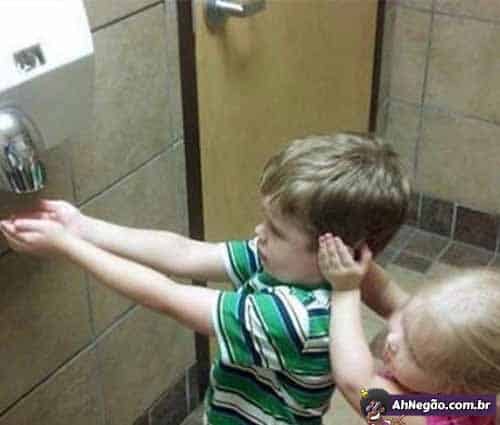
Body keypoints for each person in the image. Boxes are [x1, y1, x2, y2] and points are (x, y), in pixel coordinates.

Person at [0, 133, 410, 425]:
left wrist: (69, 247)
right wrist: (83, 226)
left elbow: (166, 296)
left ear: (333, 251)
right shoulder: (289, 265)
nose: (259, 232)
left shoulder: (294, 317)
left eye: (276, 230)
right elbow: (185, 253)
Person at [318, 233, 500, 425]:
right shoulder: (441, 340)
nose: (392, 340)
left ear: (454, 390)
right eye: (404, 321)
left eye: (412, 352)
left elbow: (357, 383)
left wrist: (345, 290)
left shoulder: (443, 415)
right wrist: (355, 262)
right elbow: (387, 293)